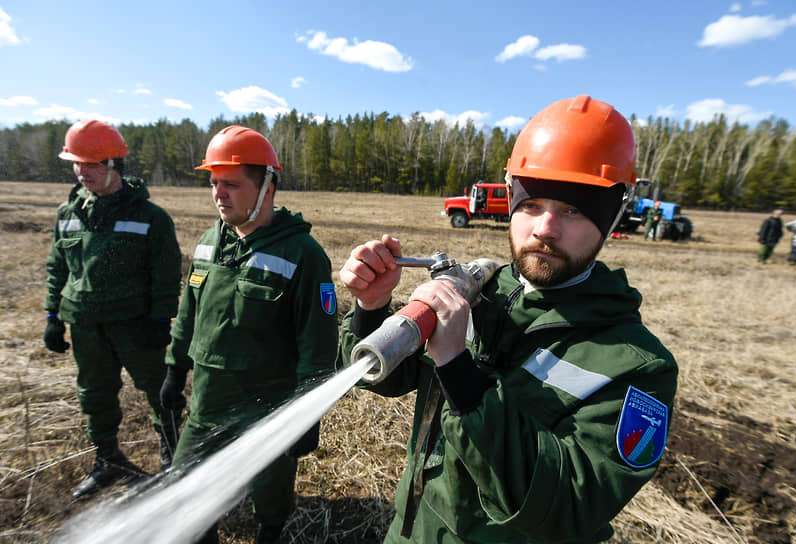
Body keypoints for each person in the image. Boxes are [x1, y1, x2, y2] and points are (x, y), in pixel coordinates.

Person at [337, 95, 678, 543]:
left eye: (574, 210)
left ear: (613, 214)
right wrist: (372, 309)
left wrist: (459, 369)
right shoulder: (481, 294)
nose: (545, 229)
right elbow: (383, 380)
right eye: (532, 204)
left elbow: (569, 507)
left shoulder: (637, 367)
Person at [160, 125, 338, 544]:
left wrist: (308, 412)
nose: (219, 194)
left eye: (232, 185)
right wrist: (174, 367)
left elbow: (318, 344)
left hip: (267, 407)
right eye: (214, 183)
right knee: (186, 492)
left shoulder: (302, 255)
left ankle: (269, 531)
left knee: (270, 493)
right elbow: (189, 311)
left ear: (267, 186)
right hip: (207, 401)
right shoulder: (208, 243)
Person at [43, 119, 183, 498]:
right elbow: (58, 266)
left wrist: (160, 320)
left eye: (91, 164)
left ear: (113, 165)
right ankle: (107, 460)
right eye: (76, 163)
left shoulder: (150, 217)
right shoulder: (67, 213)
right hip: (85, 324)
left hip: (135, 326)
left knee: (160, 393)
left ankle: (172, 462)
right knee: (94, 393)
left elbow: (166, 274)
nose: (82, 172)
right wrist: (52, 317)